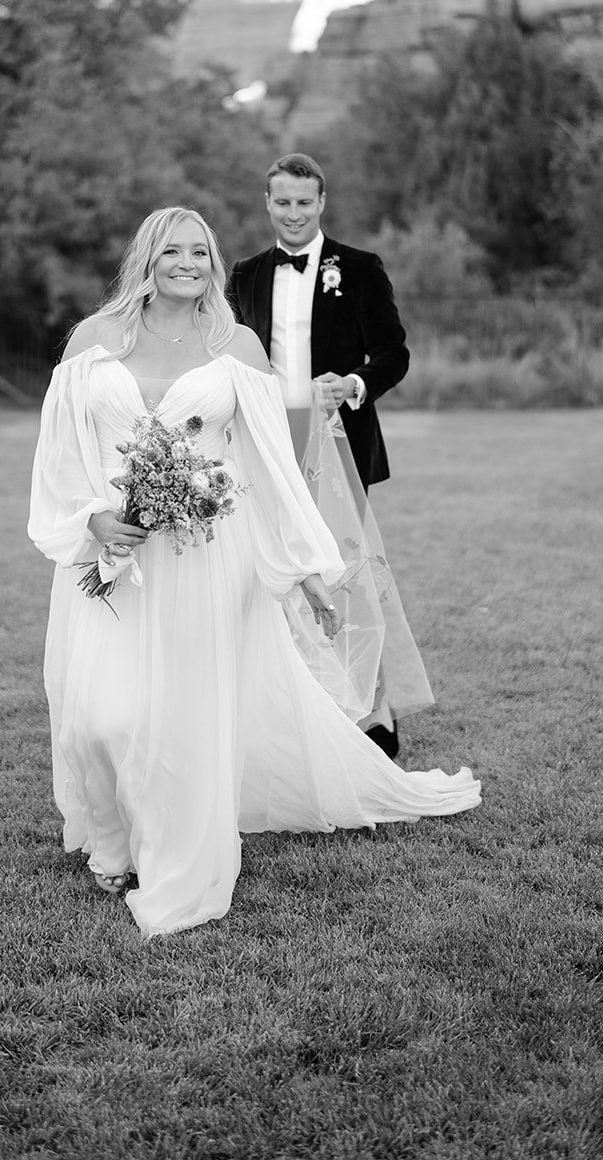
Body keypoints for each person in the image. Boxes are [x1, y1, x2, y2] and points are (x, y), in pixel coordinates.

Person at [28, 206, 479, 938]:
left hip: (205, 559)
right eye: (171, 250)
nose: (187, 263)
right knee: (96, 716)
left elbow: (269, 465)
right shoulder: (93, 339)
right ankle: (109, 837)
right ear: (145, 258)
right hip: (113, 553)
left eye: (200, 252)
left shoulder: (234, 344)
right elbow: (60, 449)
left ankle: (164, 851)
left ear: (212, 263)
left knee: (180, 716)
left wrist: (304, 569)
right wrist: (89, 518)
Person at [226, 153, 412, 757]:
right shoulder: (246, 273)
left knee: (347, 577)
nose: (294, 213)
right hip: (263, 444)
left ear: (322, 202)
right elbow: (223, 354)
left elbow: (392, 353)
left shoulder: (359, 268)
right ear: (268, 202)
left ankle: (374, 714)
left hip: (336, 442)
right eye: (283, 201)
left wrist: (353, 385)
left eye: (305, 202)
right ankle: (288, 710)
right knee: (272, 574)